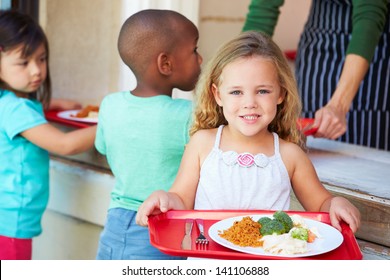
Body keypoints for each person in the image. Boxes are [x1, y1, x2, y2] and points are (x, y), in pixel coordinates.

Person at [136, 31, 360, 237]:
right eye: (236, 92)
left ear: (281, 94)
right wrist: (164, 198)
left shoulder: (290, 155)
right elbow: (181, 199)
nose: (249, 103)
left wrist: (336, 203)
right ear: (218, 95)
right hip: (209, 260)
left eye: (262, 91)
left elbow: (321, 204)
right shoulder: (202, 144)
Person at [94, 9, 202, 260]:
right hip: (159, 224)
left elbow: (102, 148)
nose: (200, 59)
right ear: (166, 64)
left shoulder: (110, 105)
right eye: (194, 50)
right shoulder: (189, 115)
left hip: (115, 224)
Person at [0, 10, 97, 260]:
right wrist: (111, 122)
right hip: (11, 221)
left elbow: (23, 113)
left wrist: (53, 103)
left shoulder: (10, 101)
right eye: (24, 63)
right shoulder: (16, 109)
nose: (36, 71)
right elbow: (64, 145)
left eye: (41, 59)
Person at [243, 0, 390, 151]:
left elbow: (369, 14)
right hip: (318, 46)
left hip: (370, 47)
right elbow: (264, 8)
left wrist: (338, 105)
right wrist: (240, 71)